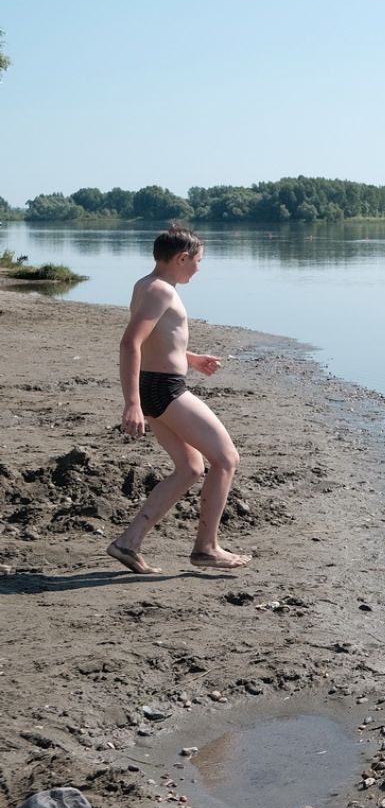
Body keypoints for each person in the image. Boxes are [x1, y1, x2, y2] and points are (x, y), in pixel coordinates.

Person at [106, 227, 252, 574]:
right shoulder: (159, 290)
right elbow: (130, 343)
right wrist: (131, 404)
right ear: (181, 258)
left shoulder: (147, 284)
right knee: (227, 458)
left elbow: (160, 341)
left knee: (190, 468)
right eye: (198, 261)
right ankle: (206, 547)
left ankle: (128, 542)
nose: (199, 269)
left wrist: (191, 358)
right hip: (164, 389)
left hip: (157, 384)